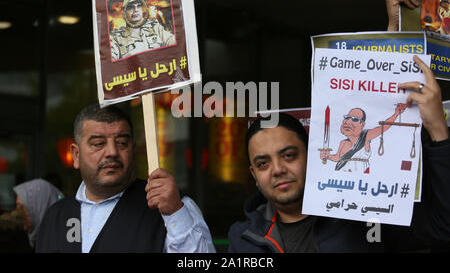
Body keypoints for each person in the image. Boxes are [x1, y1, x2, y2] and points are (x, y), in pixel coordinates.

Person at [228, 55, 450, 252]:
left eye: (289, 156)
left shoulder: (364, 217)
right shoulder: (243, 239)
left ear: (311, 156)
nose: (277, 170)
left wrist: (438, 129)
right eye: (263, 164)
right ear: (254, 175)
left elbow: (442, 228)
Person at [36, 104, 215, 253]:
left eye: (122, 143)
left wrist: (175, 213)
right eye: (99, 144)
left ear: (133, 150)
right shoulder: (56, 216)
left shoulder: (168, 206)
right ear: (76, 155)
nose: (112, 152)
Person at [320, 103, 407, 173]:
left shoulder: (365, 136)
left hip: (360, 177)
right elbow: (338, 158)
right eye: (347, 118)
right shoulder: (343, 143)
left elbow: (383, 127)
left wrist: (396, 114)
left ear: (362, 124)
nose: (348, 122)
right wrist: (328, 156)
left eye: (355, 119)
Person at [110, 0, 176, 60]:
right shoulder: (116, 38)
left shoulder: (155, 28)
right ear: (124, 12)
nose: (136, 10)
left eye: (139, 6)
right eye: (130, 7)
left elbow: (172, 41)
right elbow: (112, 59)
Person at [13, 179, 64, 250]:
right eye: (17, 207)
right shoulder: (25, 239)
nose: (19, 214)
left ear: (41, 208)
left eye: (23, 208)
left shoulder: (61, 243)